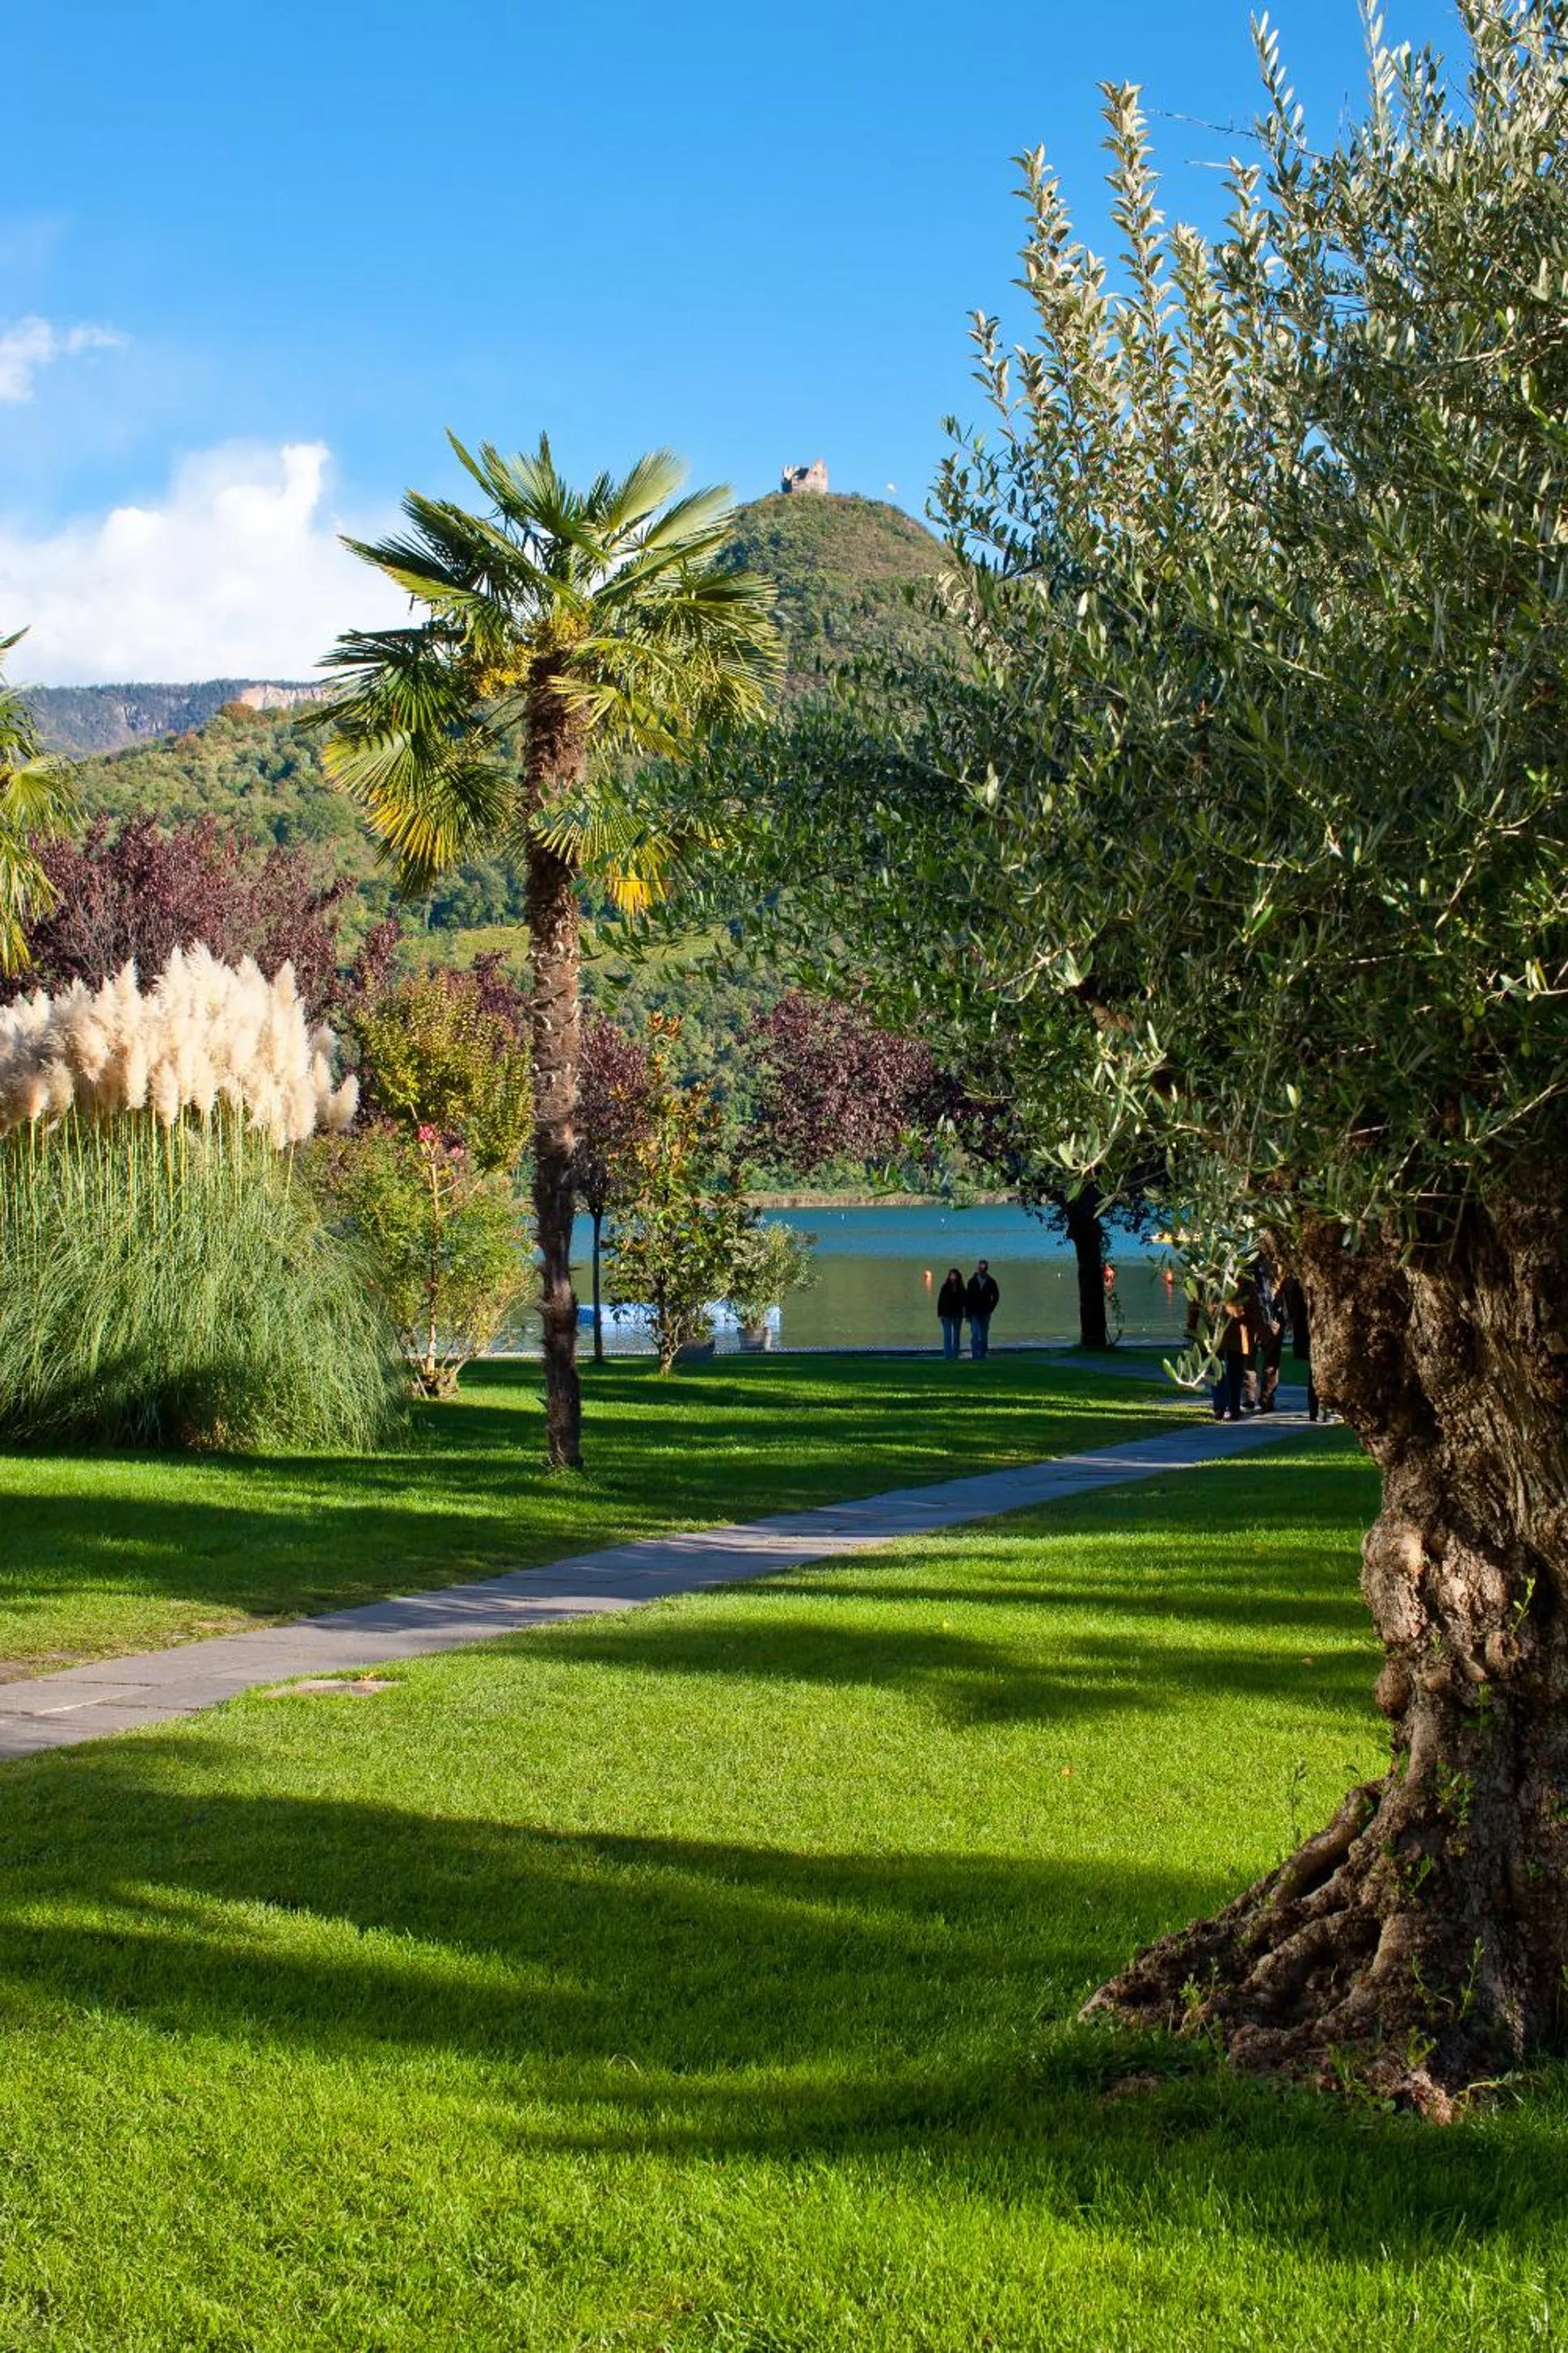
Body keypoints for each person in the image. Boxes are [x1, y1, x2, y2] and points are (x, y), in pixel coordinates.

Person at [965, 1259, 1000, 1359]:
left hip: (985, 1311)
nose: (982, 1270)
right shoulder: (972, 1281)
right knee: (975, 1332)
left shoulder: (991, 1282)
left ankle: (983, 1353)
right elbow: (968, 1298)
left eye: (984, 1268)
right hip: (974, 1312)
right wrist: (967, 1314)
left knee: (984, 1334)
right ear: (978, 1268)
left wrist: (991, 1307)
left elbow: (996, 1296)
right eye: (980, 1267)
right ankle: (975, 1354)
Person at [936, 1267, 966, 1359]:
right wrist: (940, 1314)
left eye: (955, 1275)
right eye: (951, 1275)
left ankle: (956, 1354)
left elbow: (965, 1301)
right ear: (949, 1276)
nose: (953, 1277)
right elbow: (940, 1301)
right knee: (947, 1335)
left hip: (957, 1314)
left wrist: (965, 1312)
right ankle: (947, 1354)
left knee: (956, 1335)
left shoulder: (961, 1288)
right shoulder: (945, 1287)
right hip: (946, 1314)